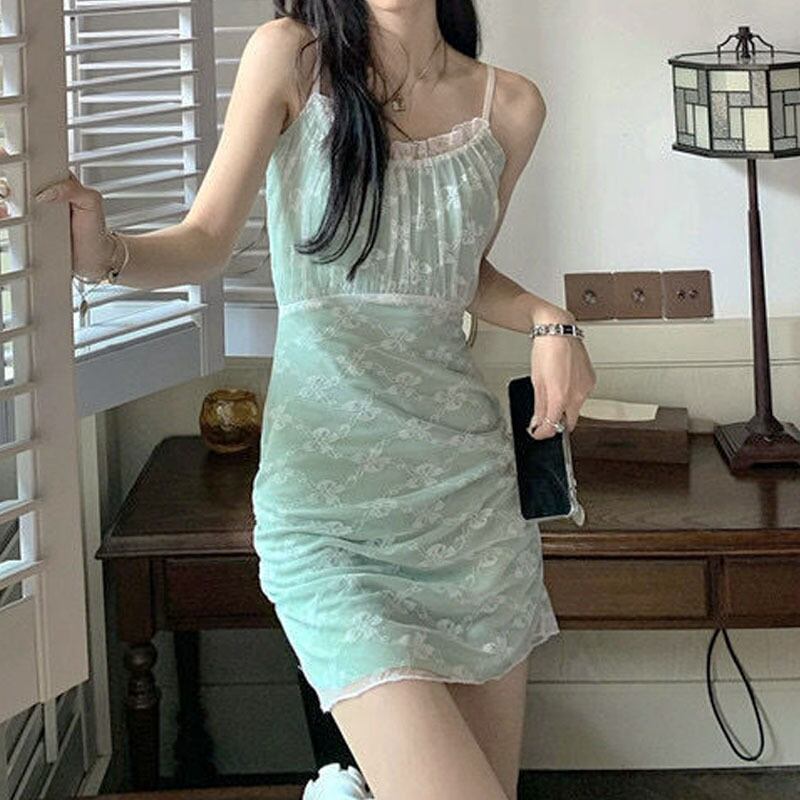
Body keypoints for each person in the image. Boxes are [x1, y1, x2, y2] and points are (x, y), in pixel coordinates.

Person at [37, 1, 596, 798]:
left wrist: (551, 319)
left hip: (470, 511)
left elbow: (454, 271)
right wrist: (104, 253)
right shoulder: (291, 57)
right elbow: (206, 240)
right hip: (329, 517)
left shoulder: (510, 104)